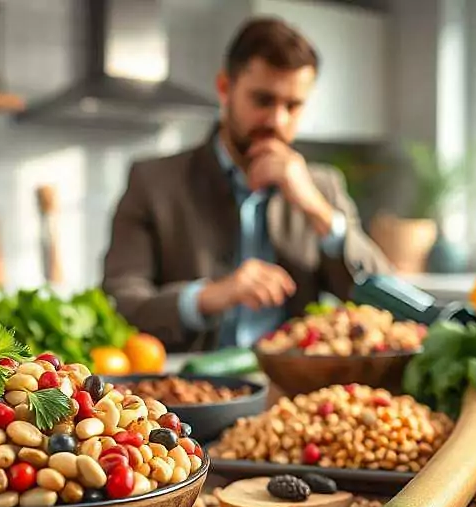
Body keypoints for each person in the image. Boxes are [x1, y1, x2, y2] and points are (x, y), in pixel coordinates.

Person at [101, 17, 391, 352]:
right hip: (185, 391)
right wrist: (209, 296)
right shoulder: (152, 182)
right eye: (263, 100)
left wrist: (316, 209)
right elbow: (117, 303)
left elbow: (387, 302)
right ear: (225, 88)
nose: (277, 121)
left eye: (293, 106)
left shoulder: (322, 187)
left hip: (291, 394)